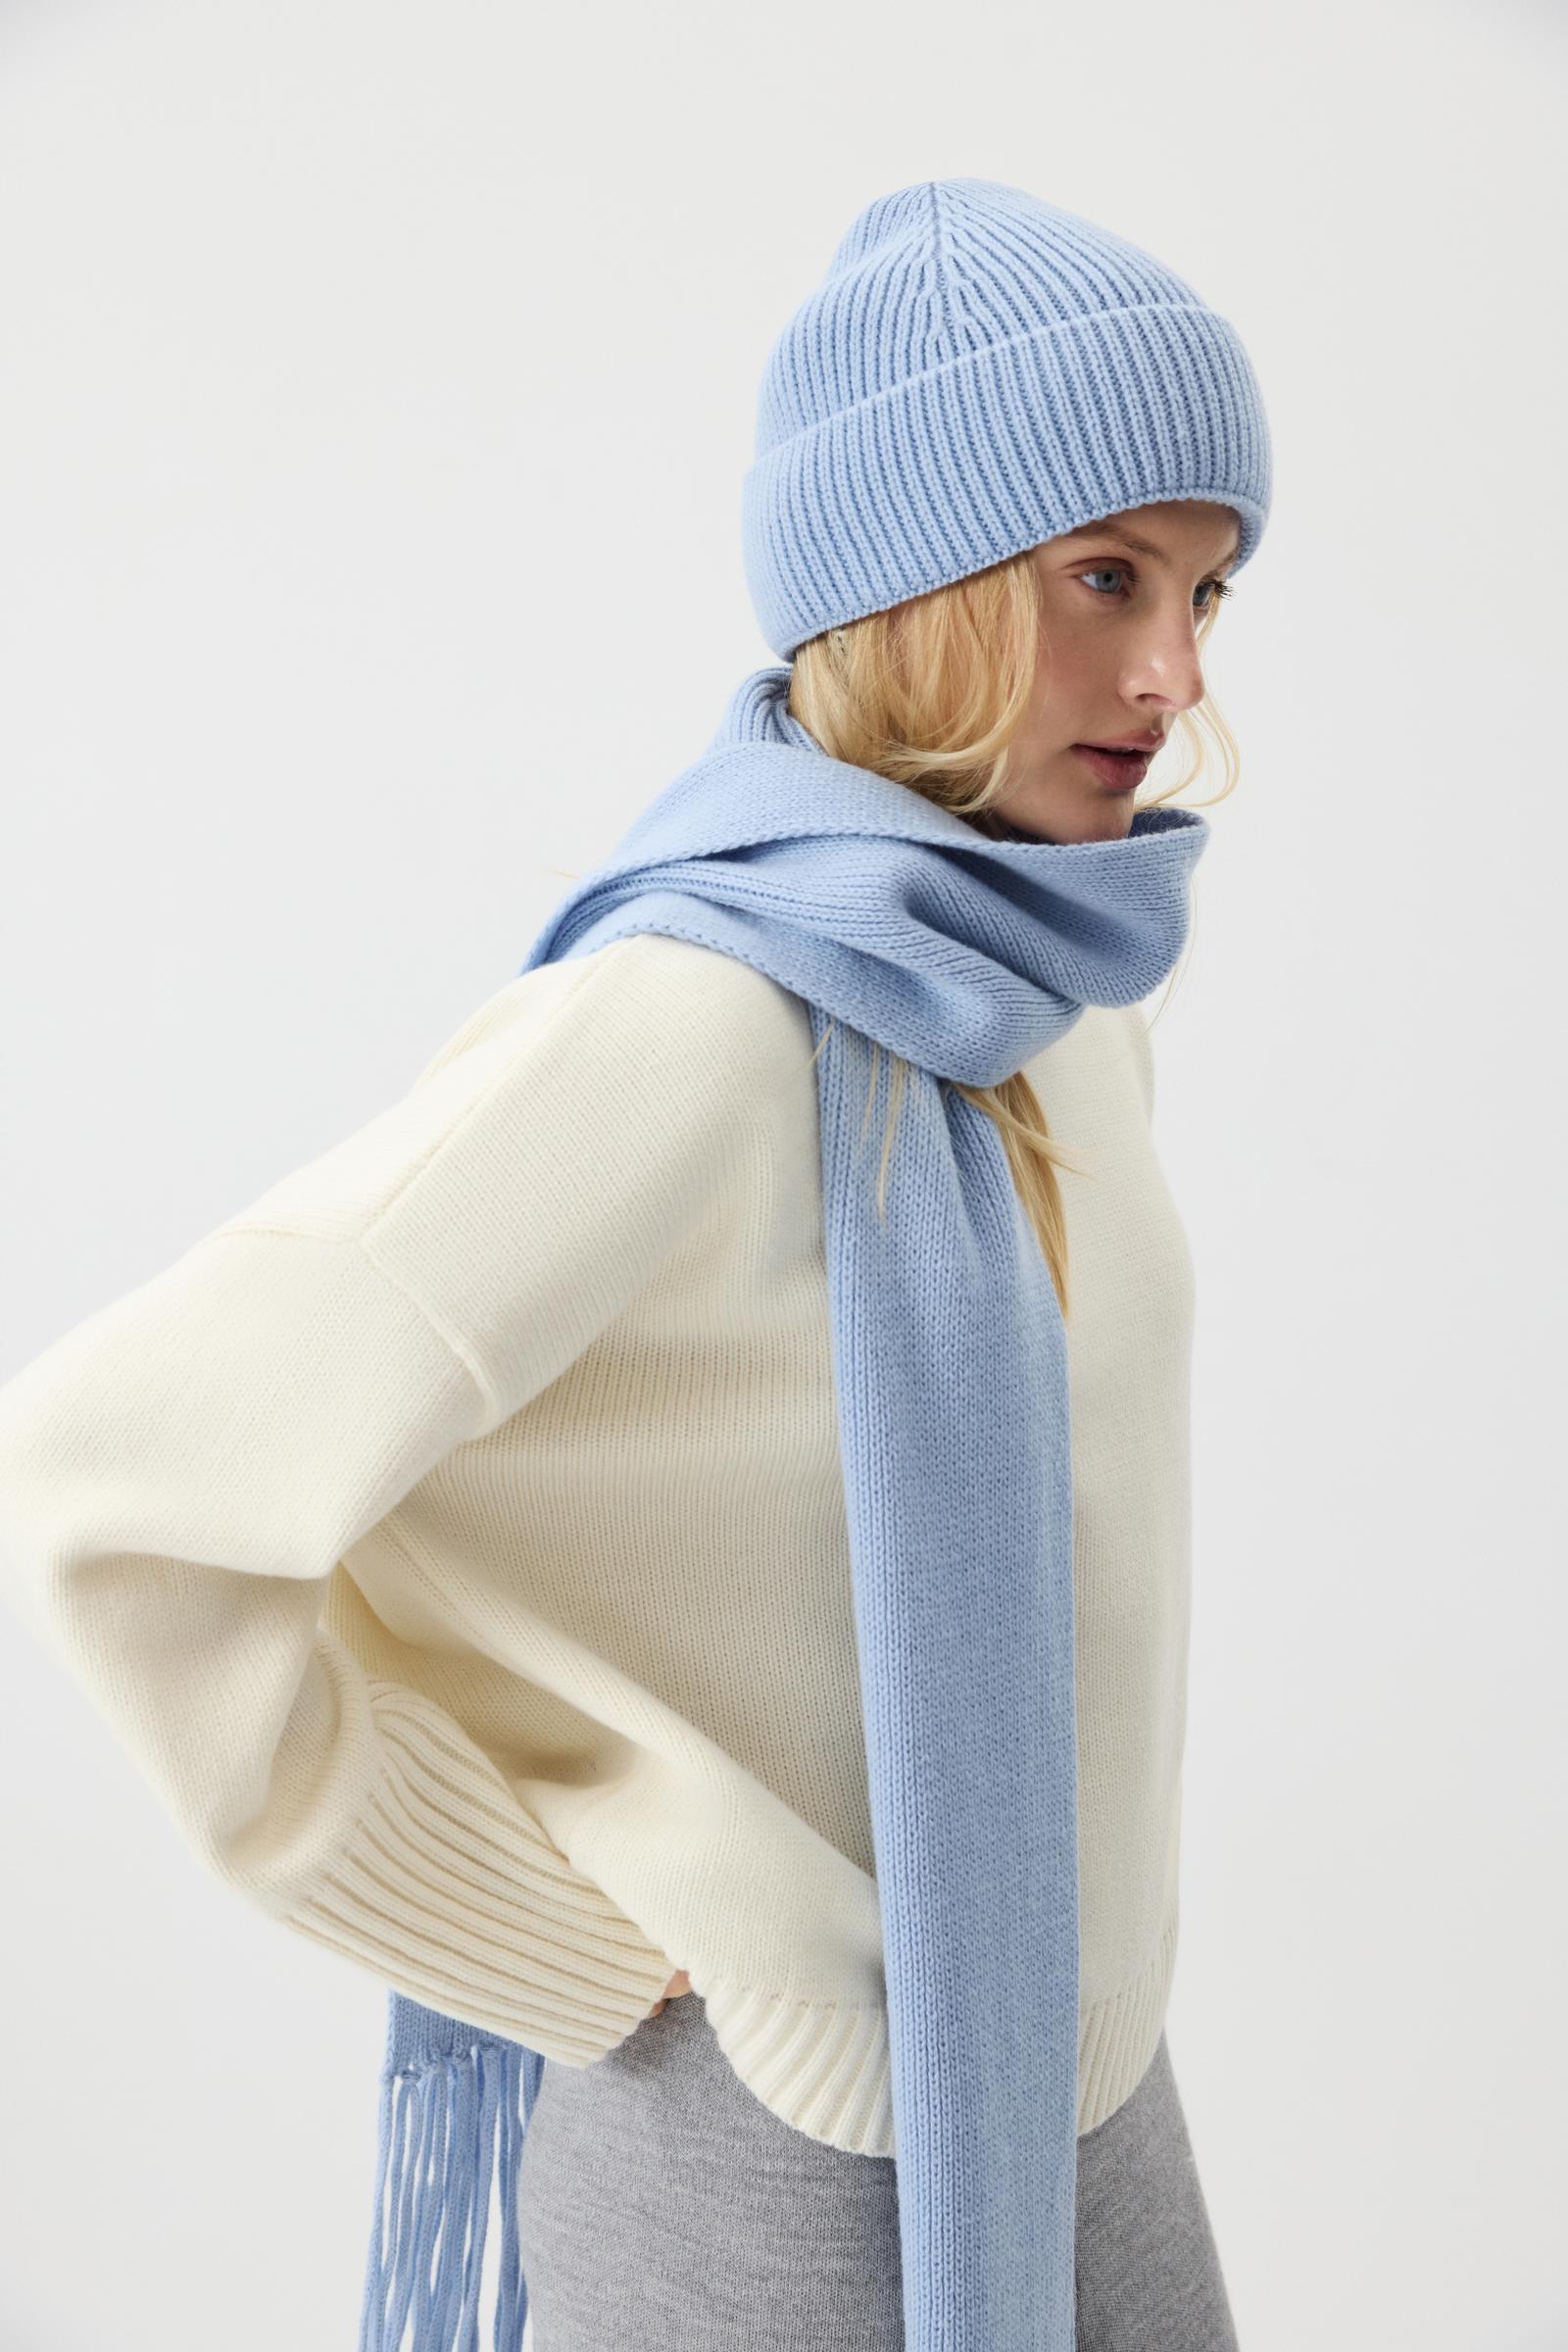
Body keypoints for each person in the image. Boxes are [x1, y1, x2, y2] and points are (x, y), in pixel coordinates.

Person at [0, 178, 1268, 2350]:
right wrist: (519, 1927)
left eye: (1207, 592)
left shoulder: (1060, 1004)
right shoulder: (682, 1032)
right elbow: (113, 1471)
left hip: (1087, 2076)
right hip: (767, 2127)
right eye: (1103, 576)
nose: (1172, 674)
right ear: (911, 574)